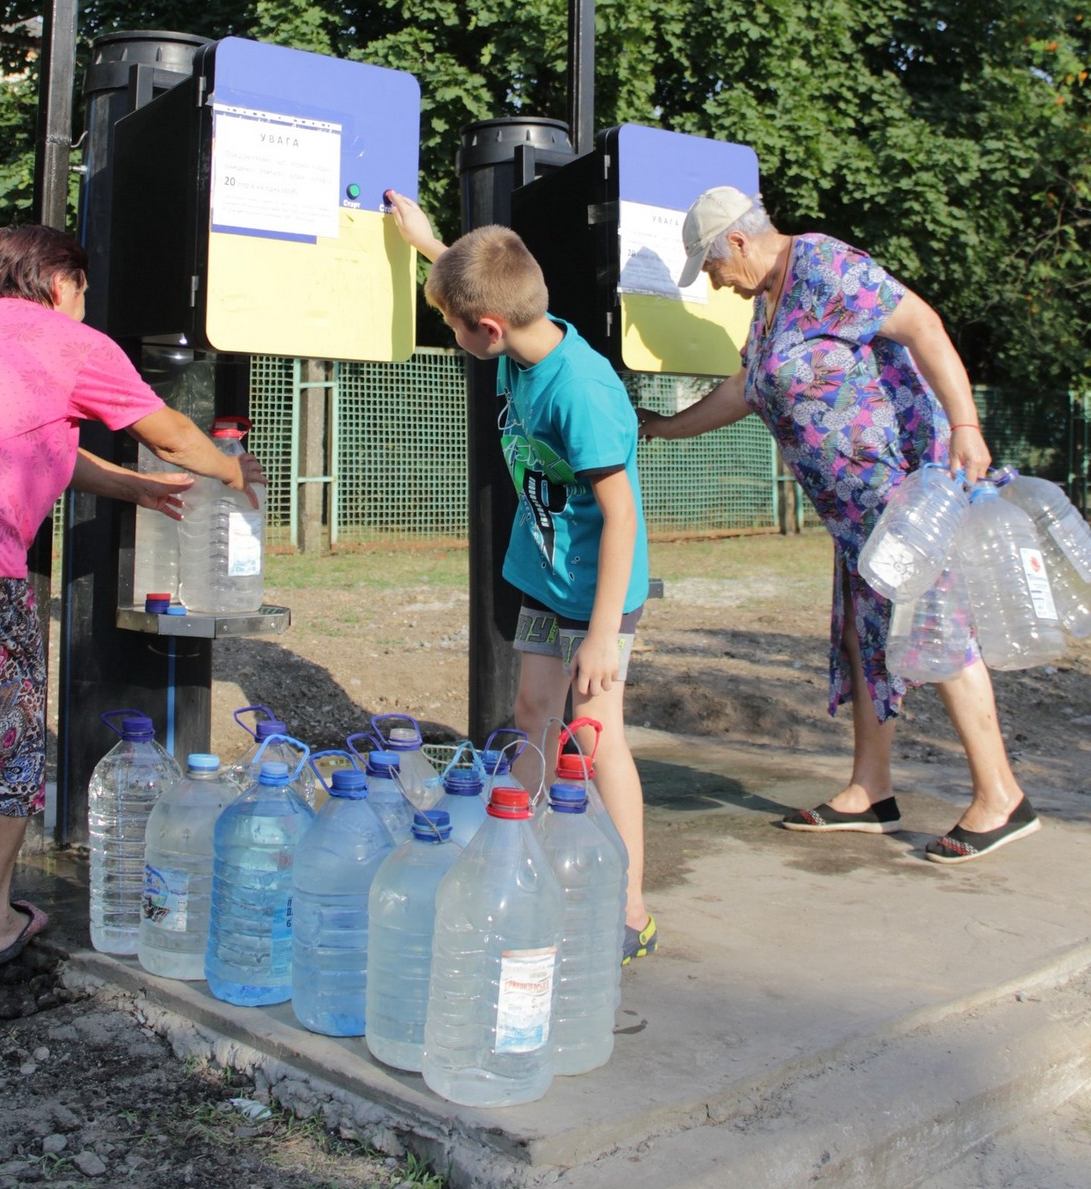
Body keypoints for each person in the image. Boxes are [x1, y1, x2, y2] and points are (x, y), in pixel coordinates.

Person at [0, 223, 265, 991]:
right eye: (83, 289)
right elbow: (170, 431)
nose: (84, 302)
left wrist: (137, 489)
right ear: (62, 282)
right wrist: (231, 475)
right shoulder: (71, 342)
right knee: (15, 741)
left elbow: (45, 446)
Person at [637, 186, 1037, 864]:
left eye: (710, 266)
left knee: (936, 629)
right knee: (863, 638)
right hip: (855, 514)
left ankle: (1002, 796)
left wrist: (966, 425)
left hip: (900, 491)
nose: (713, 282)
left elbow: (925, 328)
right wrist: (665, 429)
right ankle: (870, 791)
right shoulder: (767, 307)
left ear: (737, 241)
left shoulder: (823, 266)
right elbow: (746, 390)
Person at [386, 193, 657, 960]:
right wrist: (426, 244)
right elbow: (477, 287)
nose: (449, 329)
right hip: (543, 574)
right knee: (532, 706)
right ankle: (522, 846)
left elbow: (624, 518)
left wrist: (603, 634)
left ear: (489, 330)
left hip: (595, 592)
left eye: (450, 322)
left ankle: (631, 902)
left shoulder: (580, 391)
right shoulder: (520, 339)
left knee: (598, 735)